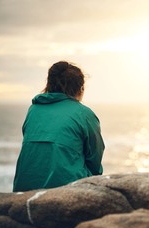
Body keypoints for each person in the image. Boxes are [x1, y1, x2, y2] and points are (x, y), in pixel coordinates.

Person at [13, 61, 105, 192]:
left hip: (23, 189)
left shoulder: (33, 110)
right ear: (81, 88)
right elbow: (95, 160)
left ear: (49, 85)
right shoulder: (84, 113)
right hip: (66, 189)